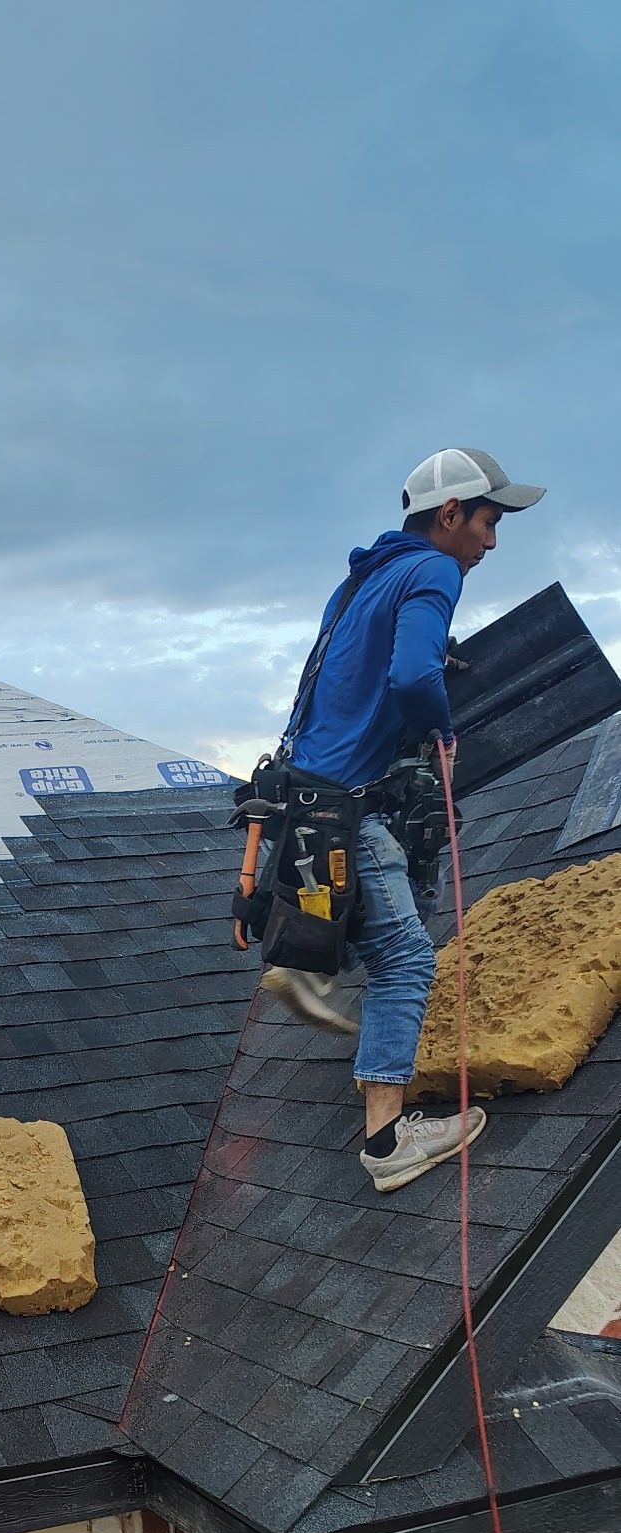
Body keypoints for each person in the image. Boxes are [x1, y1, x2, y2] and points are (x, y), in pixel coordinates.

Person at [262, 447, 545, 1192]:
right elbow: (414, 674)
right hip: (345, 804)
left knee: (394, 918)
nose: (491, 541)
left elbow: (333, 679)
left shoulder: (362, 577)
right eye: (487, 521)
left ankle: (305, 966)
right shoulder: (434, 570)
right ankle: (388, 1145)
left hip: (305, 796)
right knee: (410, 958)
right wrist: (442, 730)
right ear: (449, 514)